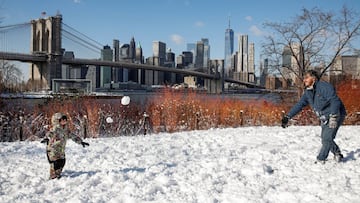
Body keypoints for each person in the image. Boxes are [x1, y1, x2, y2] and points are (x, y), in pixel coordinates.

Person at [281, 70, 346, 164]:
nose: (304, 80)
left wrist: (334, 116)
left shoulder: (324, 87)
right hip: (324, 117)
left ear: (314, 78)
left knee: (326, 138)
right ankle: (337, 153)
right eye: (304, 78)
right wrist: (287, 116)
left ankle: (321, 159)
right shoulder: (308, 92)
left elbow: (334, 100)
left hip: (335, 114)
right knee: (325, 138)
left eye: (306, 77)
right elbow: (300, 105)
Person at [41, 112, 89, 179]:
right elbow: (50, 134)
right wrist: (46, 138)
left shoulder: (66, 130)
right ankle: (52, 175)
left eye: (65, 120)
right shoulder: (56, 129)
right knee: (55, 163)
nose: (64, 121)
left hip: (61, 150)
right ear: (57, 121)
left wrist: (81, 142)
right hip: (53, 149)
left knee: (62, 162)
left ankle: (57, 174)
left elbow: (72, 136)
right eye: (62, 120)